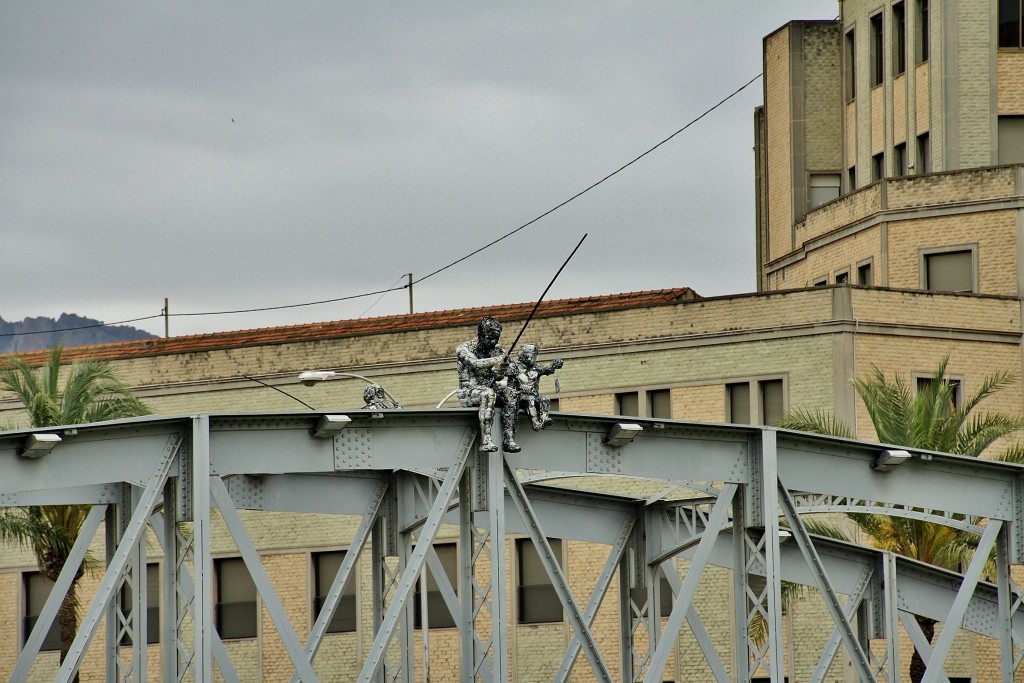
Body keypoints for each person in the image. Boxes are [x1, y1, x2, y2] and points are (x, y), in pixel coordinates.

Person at [456, 316, 520, 452]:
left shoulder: (497, 349)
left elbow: (509, 370)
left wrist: (506, 369)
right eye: (490, 336)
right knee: (488, 394)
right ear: (480, 334)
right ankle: (486, 440)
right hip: (468, 391)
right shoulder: (464, 349)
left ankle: (509, 438)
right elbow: (476, 364)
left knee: (511, 393)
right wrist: (497, 360)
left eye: (496, 337)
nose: (493, 341)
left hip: (490, 387)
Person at [507, 344, 563, 431]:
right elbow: (509, 385)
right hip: (519, 397)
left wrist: (554, 365)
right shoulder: (515, 368)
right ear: (525, 355)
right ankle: (535, 422)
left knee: (544, 399)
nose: (534, 358)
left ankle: (544, 418)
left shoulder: (536, 368)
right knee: (530, 399)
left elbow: (547, 369)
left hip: (534, 395)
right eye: (532, 355)